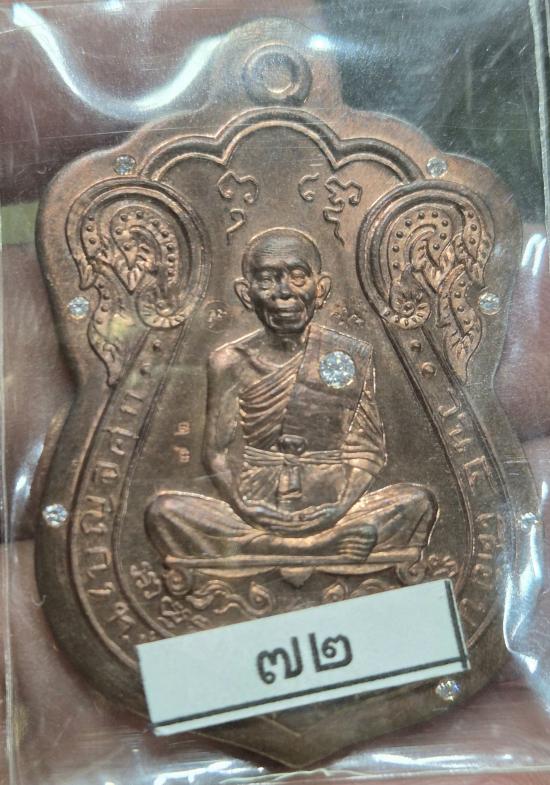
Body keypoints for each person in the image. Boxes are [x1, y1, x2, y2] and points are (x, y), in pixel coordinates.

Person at [145, 227, 437, 563]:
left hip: (334, 505)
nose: (284, 293)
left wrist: (339, 508)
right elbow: (216, 453)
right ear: (246, 293)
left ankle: (273, 547)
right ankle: (311, 547)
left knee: (418, 502)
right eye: (267, 279)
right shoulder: (229, 362)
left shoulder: (347, 354)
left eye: (298, 277)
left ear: (320, 288)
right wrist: (244, 507)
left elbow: (367, 452)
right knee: (164, 511)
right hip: (256, 507)